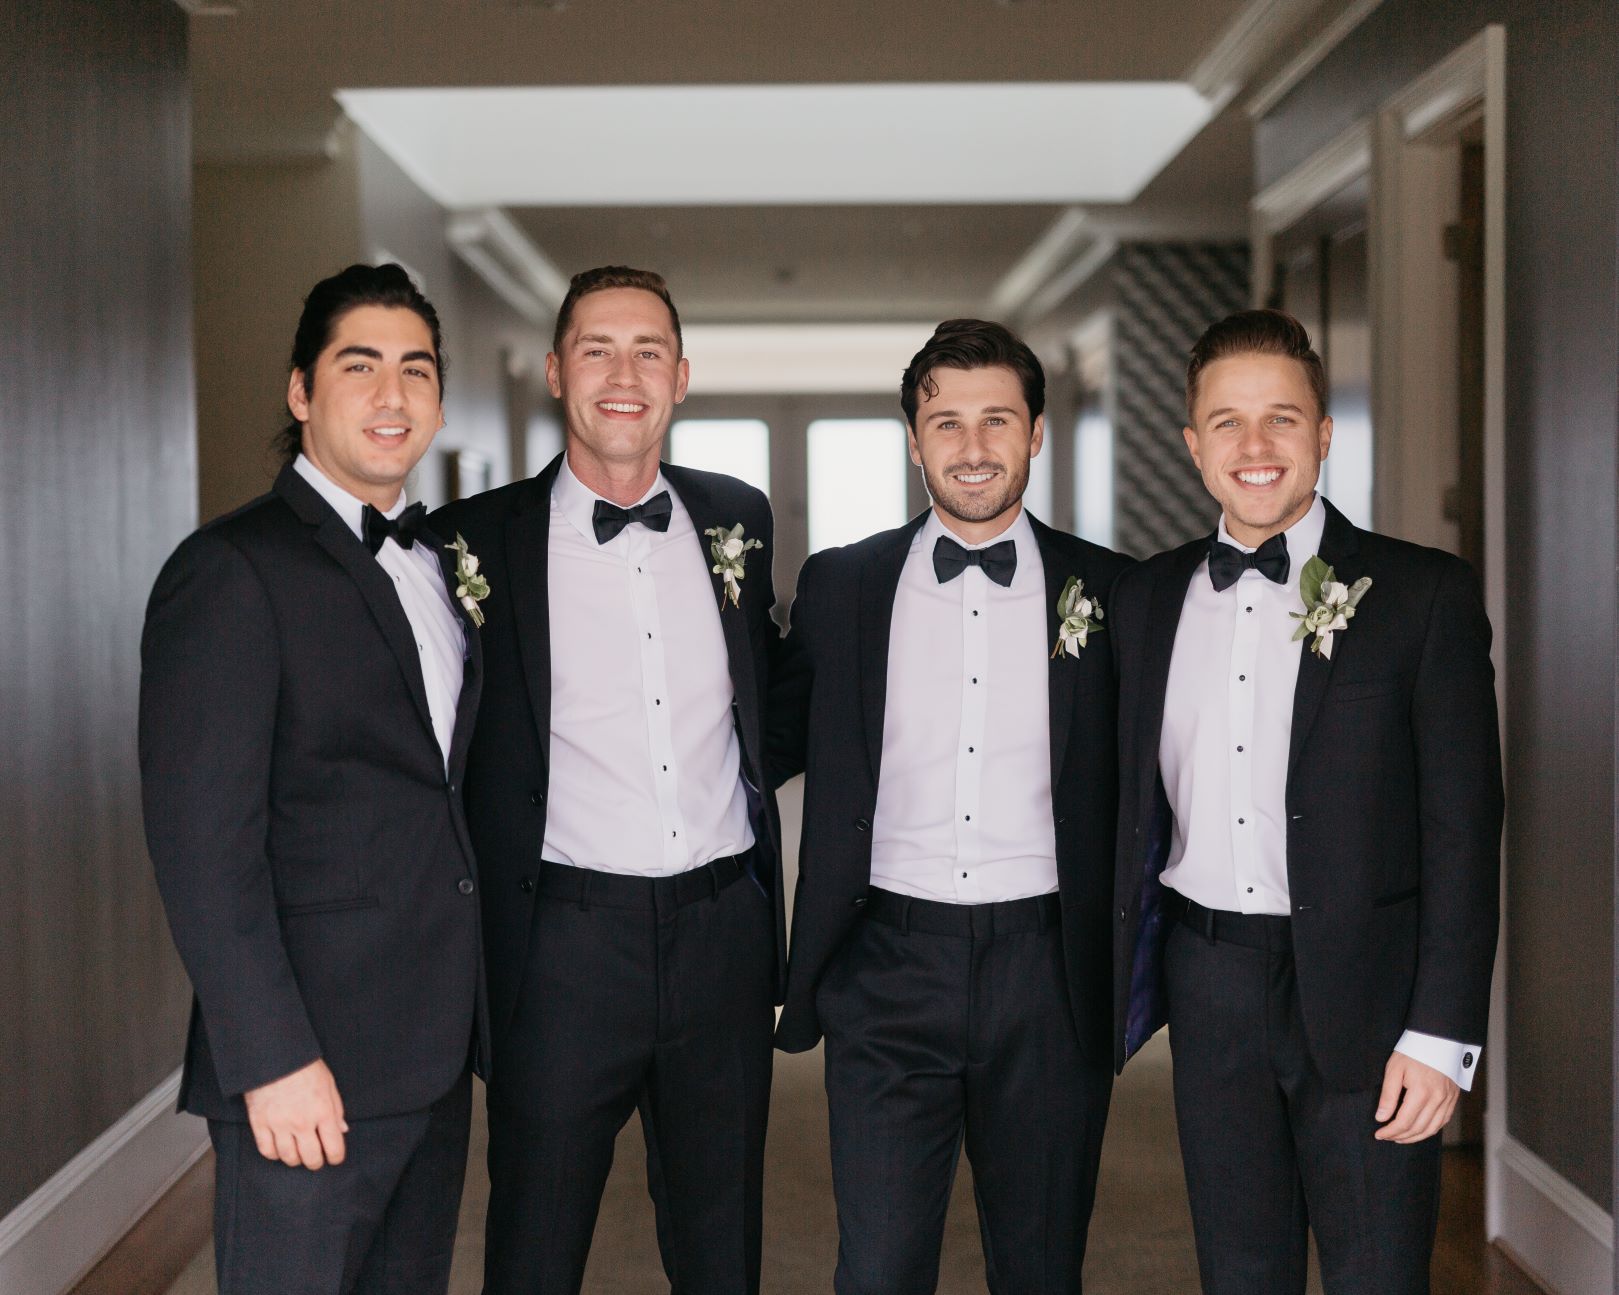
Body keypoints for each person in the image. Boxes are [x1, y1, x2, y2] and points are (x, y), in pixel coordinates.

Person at [1111, 308, 1503, 1294]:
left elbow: (1464, 829)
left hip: (1370, 997)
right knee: (1238, 1271)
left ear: (1321, 434)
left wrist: (1440, 1031)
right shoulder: (1142, 602)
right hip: (1206, 980)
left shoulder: (1421, 597)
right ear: (1191, 443)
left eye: (1280, 418)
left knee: (1376, 1272)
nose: (1254, 446)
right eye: (1226, 421)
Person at [431, 265, 784, 1295]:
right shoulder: (470, 544)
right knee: (534, 1249)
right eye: (596, 348)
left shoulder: (737, 521)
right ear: (554, 371)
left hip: (723, 937)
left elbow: (768, 691)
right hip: (560, 948)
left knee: (721, 1252)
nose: (622, 374)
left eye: (646, 352)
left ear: (680, 376)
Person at [140, 262, 485, 1295]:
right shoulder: (231, 570)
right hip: (307, 1061)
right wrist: (270, 1056)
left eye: (415, 370)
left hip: (430, 1051)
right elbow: (202, 845)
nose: (392, 395)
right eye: (360, 365)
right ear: (301, 392)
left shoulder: (440, 566)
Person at [769, 319, 1130, 1293]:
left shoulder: (1110, 591)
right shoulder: (841, 585)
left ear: (1036, 432)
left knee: (1039, 1265)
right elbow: (760, 739)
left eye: (996, 420)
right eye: (946, 422)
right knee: (879, 1267)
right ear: (913, 436)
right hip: (885, 962)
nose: (972, 448)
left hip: (1048, 971)